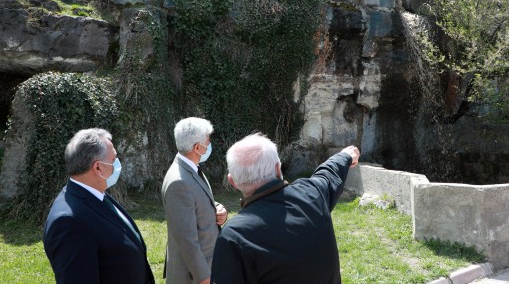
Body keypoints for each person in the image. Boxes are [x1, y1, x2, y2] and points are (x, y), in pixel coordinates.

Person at [210, 132, 360, 283]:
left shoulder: (234, 235)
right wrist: (345, 155)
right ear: (278, 168)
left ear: (232, 182)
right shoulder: (311, 193)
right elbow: (328, 174)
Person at [43, 128, 155, 284]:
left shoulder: (96, 194)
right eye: (114, 159)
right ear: (98, 167)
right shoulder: (69, 221)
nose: (117, 164)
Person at [162, 117, 228, 284]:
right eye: (208, 140)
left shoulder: (191, 168)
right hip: (193, 276)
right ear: (197, 147)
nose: (209, 144)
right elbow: (186, 238)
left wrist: (218, 210)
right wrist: (204, 276)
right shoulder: (179, 182)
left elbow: (197, 201)